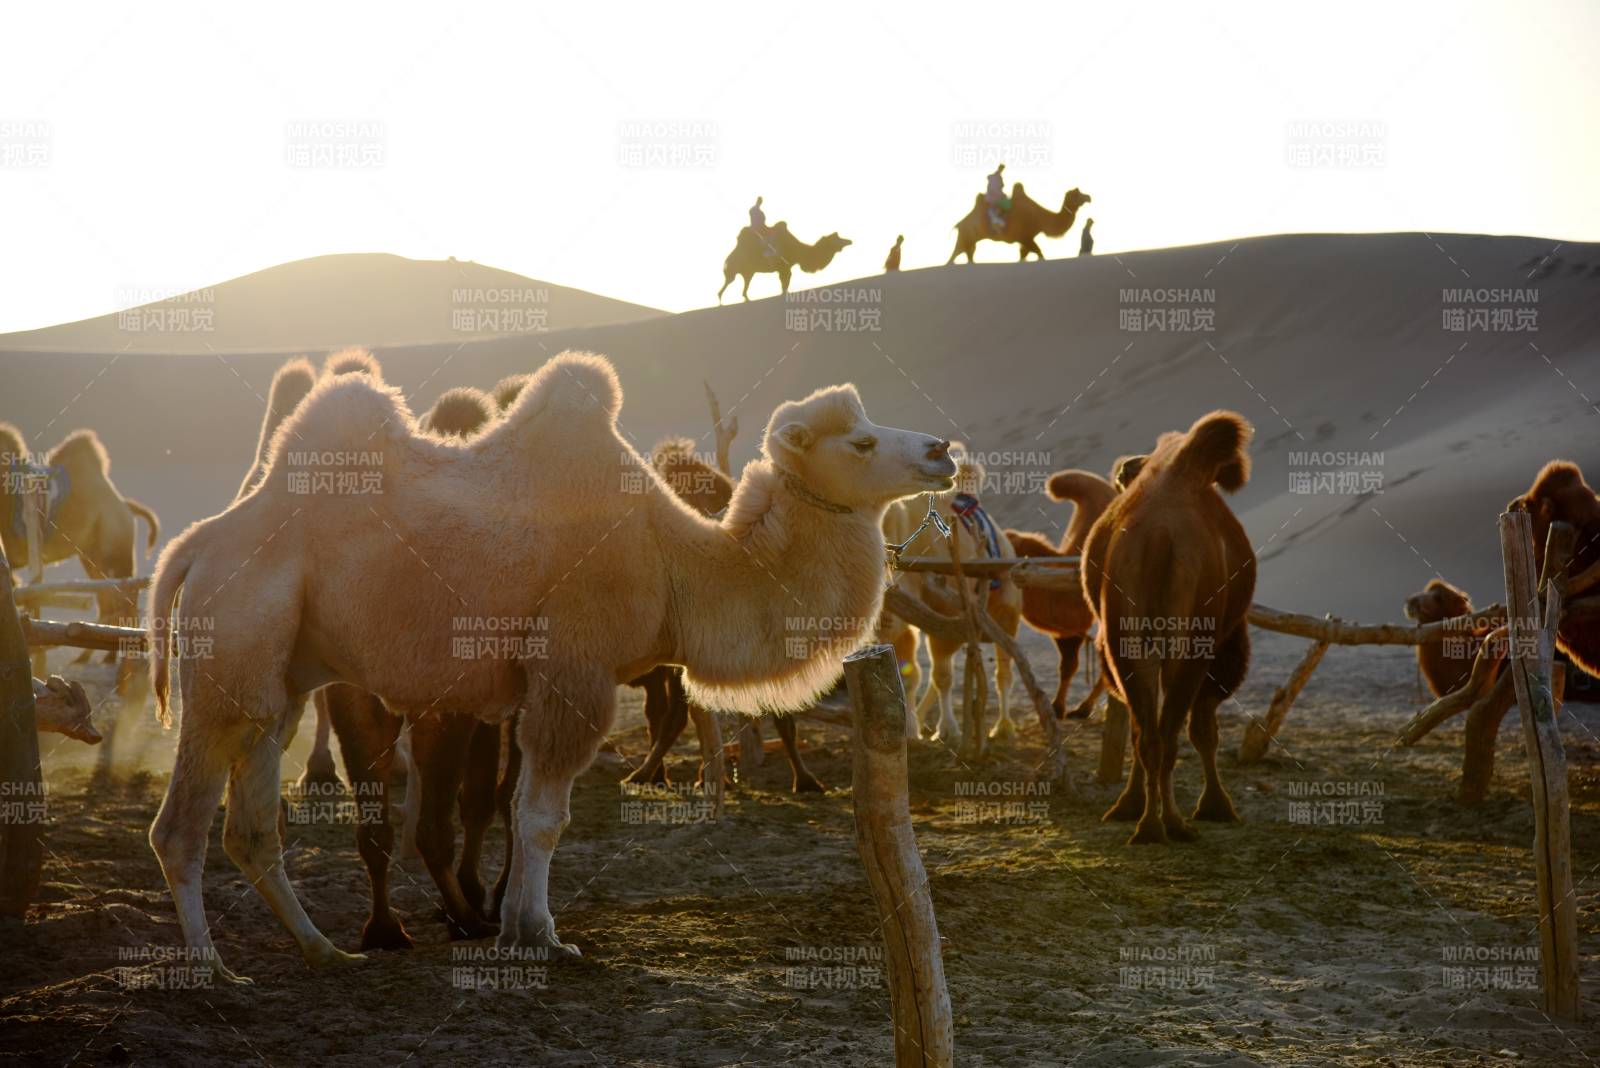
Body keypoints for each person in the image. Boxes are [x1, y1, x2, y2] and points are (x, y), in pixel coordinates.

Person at [984, 162, 1010, 233]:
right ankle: (995, 224)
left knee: (1007, 205)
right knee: (995, 209)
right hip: (993, 198)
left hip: (998, 197)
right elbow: (993, 189)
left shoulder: (998, 177)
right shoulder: (994, 177)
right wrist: (1000, 196)